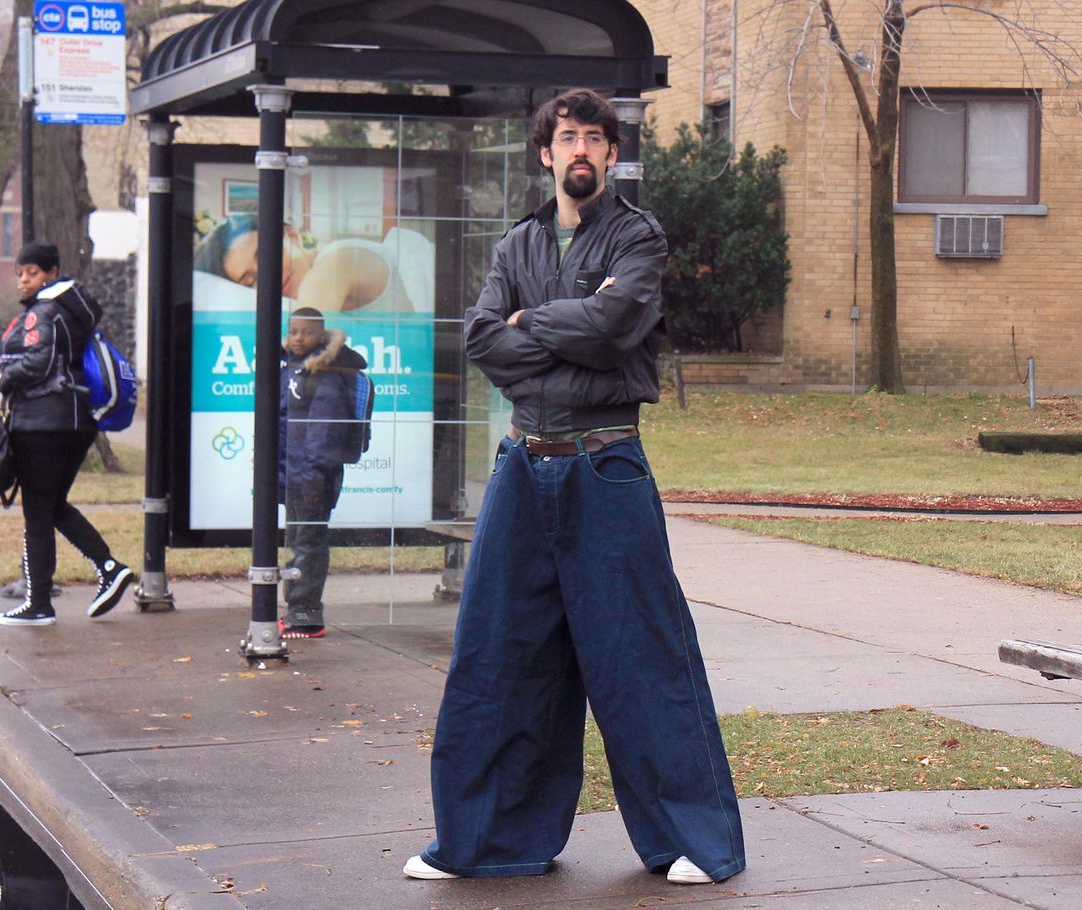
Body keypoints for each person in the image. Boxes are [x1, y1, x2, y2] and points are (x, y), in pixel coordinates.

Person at [405, 90, 745, 886]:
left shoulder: (638, 235)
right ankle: (487, 840)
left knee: (640, 656)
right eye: (568, 137)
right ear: (546, 155)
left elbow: (615, 325)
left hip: (606, 462)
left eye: (596, 137)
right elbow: (483, 338)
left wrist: (534, 324)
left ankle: (694, 842)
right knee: (497, 653)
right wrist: (552, 327)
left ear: (612, 154)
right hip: (524, 464)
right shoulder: (517, 242)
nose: (582, 149)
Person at [0, 242, 134, 626]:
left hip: (43, 424)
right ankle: (108, 568)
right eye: (20, 272)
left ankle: (38, 604)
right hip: (74, 422)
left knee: (38, 512)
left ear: (52, 273)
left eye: (32, 272)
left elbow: (37, 361)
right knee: (52, 506)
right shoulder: (72, 311)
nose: (24, 279)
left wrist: (5, 379)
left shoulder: (45, 310)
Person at [278, 307, 369, 638]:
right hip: (294, 474)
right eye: (294, 332)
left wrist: (314, 478)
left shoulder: (326, 374)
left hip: (312, 476)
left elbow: (324, 430)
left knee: (309, 542)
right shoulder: (293, 369)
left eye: (307, 332)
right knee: (297, 540)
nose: (299, 338)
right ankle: (296, 608)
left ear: (322, 335)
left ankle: (306, 612)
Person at [194, 214, 433, 312]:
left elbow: (304, 344)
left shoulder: (337, 262)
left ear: (292, 235)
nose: (268, 278)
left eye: (266, 257)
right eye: (250, 281)